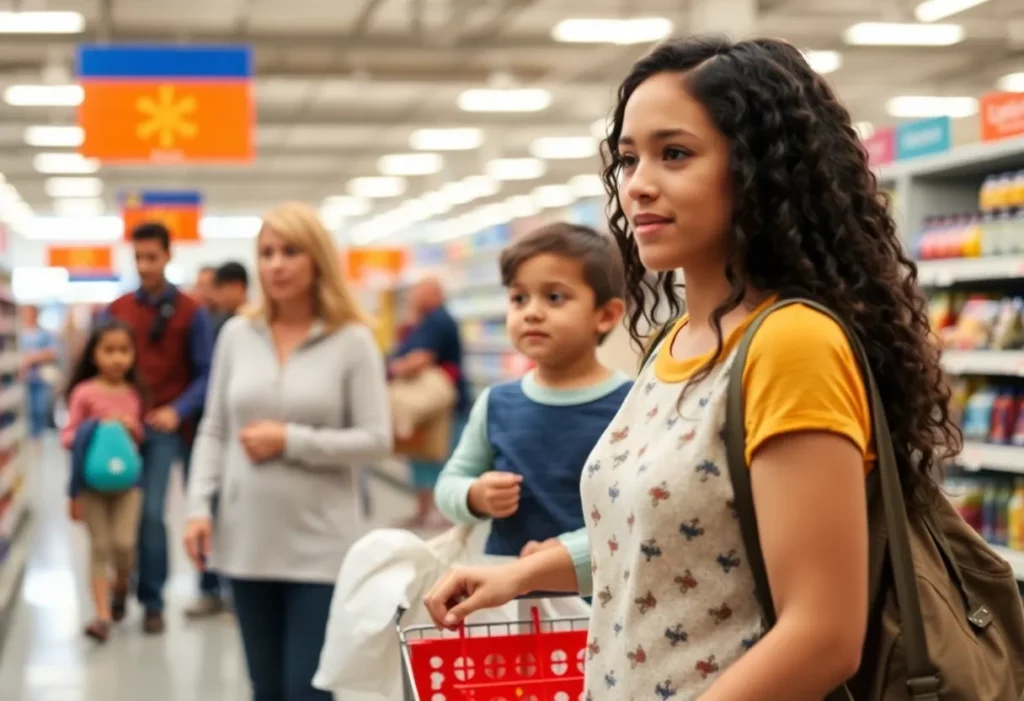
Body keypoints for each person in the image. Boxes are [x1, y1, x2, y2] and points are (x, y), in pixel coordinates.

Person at [423, 36, 959, 699]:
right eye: (627, 158)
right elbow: (679, 537)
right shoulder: (676, 343)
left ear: (760, 168)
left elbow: (823, 634)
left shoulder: (791, 344)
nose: (638, 183)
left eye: (674, 154)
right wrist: (527, 573)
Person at [183, 201, 392, 701]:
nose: (276, 264)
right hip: (246, 540)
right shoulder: (236, 334)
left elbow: (376, 439)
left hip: (319, 546)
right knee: (266, 689)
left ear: (317, 258)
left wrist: (290, 439)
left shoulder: (352, 341)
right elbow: (214, 428)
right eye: (267, 253)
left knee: (307, 690)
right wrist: (197, 509)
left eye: (290, 251)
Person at [434, 222, 631, 578]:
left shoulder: (632, 404)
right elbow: (450, 482)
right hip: (509, 603)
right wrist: (474, 495)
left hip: (601, 600)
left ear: (605, 315)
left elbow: (638, 511)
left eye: (554, 297)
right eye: (518, 298)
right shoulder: (497, 404)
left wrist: (567, 552)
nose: (531, 312)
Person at [105, 222, 213, 634]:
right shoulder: (117, 311)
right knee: (116, 515)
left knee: (151, 513)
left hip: (168, 429)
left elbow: (207, 373)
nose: (145, 266)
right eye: (139, 258)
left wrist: (177, 409)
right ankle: (117, 589)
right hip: (119, 428)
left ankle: (152, 600)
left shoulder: (192, 312)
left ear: (168, 256)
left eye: (153, 257)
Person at [60, 320, 145, 643]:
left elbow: (140, 437)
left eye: (124, 351)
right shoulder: (84, 393)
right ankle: (102, 615)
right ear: (94, 354)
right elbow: (68, 435)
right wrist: (95, 429)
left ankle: (120, 587)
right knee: (100, 547)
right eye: (108, 350)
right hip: (91, 484)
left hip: (128, 485)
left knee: (124, 546)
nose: (117, 359)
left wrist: (129, 428)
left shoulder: (133, 394)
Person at [183, 260, 249, 619]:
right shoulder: (208, 323)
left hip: (246, 443)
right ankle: (213, 588)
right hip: (209, 430)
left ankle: (234, 587)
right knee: (209, 510)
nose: (206, 293)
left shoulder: (247, 328)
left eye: (212, 286)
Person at [389, 277, 468, 528]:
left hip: (440, 405)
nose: (412, 296)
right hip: (427, 406)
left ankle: (442, 512)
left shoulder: (438, 320)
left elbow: (421, 358)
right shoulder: (424, 321)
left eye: (417, 292)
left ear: (434, 294)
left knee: (441, 456)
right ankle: (424, 511)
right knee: (421, 455)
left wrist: (395, 369)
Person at [18, 305, 59, 443]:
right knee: (25, 409)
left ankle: (37, 437)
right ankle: (28, 437)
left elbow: (52, 353)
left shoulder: (44, 334)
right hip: (23, 378)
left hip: (40, 377)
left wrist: (33, 357)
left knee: (39, 408)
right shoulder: (20, 332)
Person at [211, 261, 249, 334]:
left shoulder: (255, 322)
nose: (217, 295)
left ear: (237, 286)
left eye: (221, 288)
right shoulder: (221, 322)